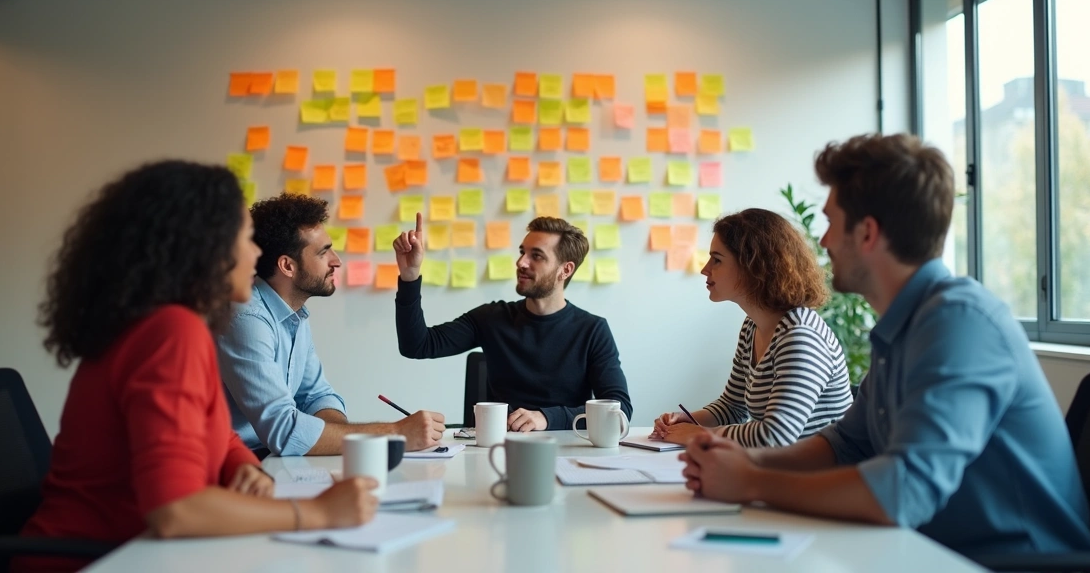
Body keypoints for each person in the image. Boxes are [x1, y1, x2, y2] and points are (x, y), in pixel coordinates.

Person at [680, 134, 1090, 559]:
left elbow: (902, 491)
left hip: (1011, 563)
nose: (822, 242)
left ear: (867, 233)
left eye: (831, 222)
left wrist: (752, 482)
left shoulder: (959, 322)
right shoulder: (903, 326)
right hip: (931, 551)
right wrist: (741, 460)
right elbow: (847, 445)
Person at [20, 162, 377, 572]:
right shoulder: (170, 332)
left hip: (138, 550)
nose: (257, 253)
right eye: (245, 239)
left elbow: (215, 431)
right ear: (204, 248)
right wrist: (319, 514)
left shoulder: (176, 323)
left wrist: (243, 467)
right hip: (99, 560)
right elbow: (176, 510)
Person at [216, 193, 445, 457]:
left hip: (271, 457)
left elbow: (316, 396)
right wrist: (397, 433)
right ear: (287, 266)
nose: (336, 260)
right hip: (234, 464)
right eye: (324, 252)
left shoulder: (294, 314)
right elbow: (284, 431)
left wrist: (344, 441)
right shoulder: (246, 318)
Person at [393, 214, 632, 432]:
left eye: (536, 255)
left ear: (565, 270)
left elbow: (619, 411)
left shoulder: (592, 330)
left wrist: (546, 418)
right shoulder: (491, 318)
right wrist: (410, 276)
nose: (521, 262)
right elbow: (417, 345)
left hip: (568, 449)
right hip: (499, 449)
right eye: (522, 252)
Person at [652, 209, 852, 447]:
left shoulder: (800, 336)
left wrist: (698, 435)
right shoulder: (752, 326)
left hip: (822, 478)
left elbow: (774, 436)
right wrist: (690, 420)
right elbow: (733, 407)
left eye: (717, 259)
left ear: (752, 266)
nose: (705, 269)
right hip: (784, 472)